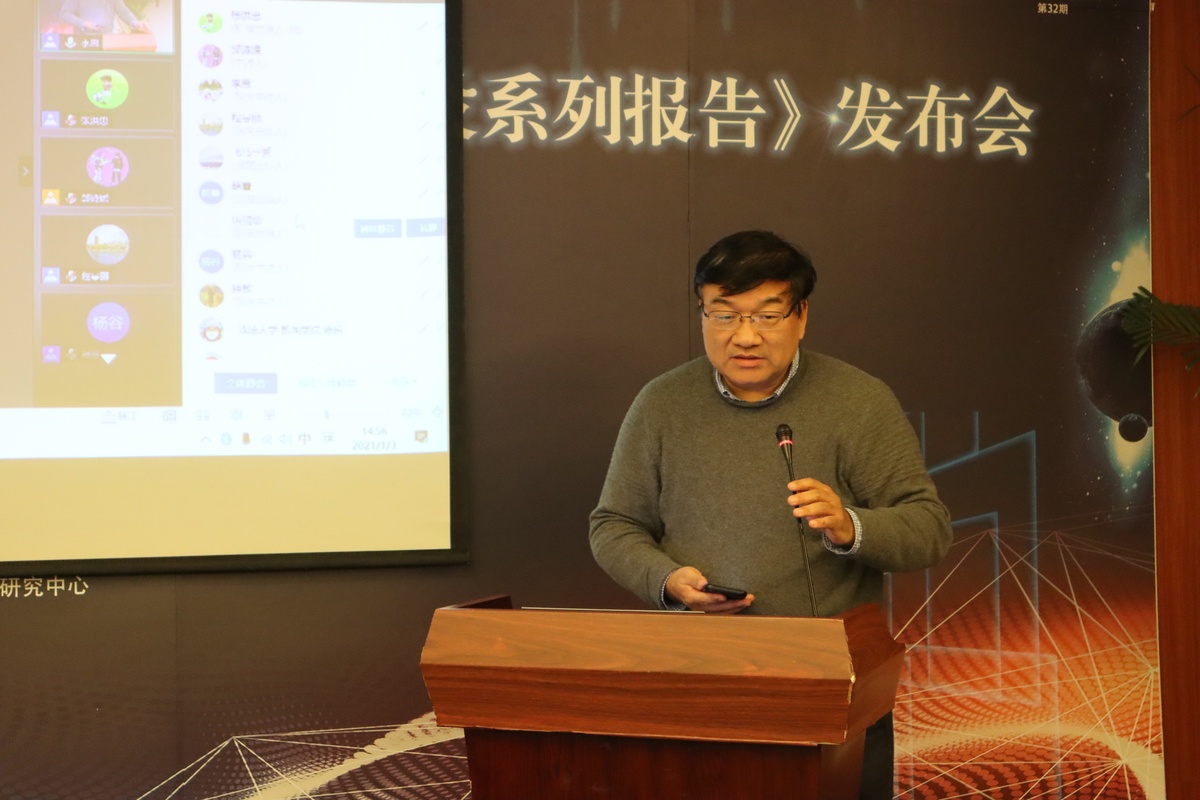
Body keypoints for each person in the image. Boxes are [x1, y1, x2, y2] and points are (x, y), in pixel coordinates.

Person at [589, 229, 953, 800]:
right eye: (724, 315)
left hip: (831, 686)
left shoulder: (858, 401)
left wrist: (850, 526)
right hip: (699, 680)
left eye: (766, 315)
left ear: (801, 316)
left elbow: (928, 528)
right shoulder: (661, 403)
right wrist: (667, 580)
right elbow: (613, 524)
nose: (744, 336)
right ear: (702, 315)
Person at [59, 0, 148, 33]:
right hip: (82, 42)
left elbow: (123, 12)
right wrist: (83, 24)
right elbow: (64, 13)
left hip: (106, 40)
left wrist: (134, 22)